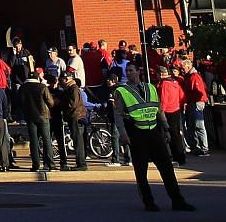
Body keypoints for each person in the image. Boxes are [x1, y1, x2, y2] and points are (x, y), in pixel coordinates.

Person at [108, 66, 194, 213]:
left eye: (131, 70)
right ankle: (149, 203)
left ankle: (178, 201)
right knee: (141, 172)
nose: (129, 73)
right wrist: (123, 134)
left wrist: (166, 129)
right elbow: (118, 115)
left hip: (154, 132)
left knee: (167, 168)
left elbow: (159, 110)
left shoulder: (151, 88)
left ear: (138, 72)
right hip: (136, 133)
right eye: (127, 71)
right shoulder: (121, 91)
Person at [19, 64, 56, 180]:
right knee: (46, 140)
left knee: (33, 141)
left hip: (30, 116)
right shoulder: (42, 87)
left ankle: (35, 164)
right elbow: (50, 102)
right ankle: (50, 164)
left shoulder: (22, 88)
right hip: (43, 115)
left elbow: (19, 102)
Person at [53, 72, 90, 170]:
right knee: (77, 141)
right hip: (74, 117)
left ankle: (81, 164)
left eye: (63, 79)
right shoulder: (69, 88)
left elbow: (73, 103)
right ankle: (80, 163)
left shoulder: (73, 88)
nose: (61, 81)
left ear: (67, 79)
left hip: (76, 117)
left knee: (78, 141)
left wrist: (62, 104)